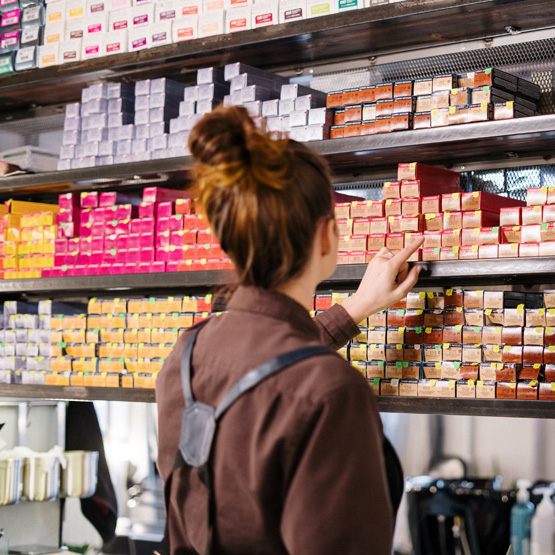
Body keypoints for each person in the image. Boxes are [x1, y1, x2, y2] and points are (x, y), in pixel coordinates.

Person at [156, 105, 424, 555]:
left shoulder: (186, 356)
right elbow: (288, 384)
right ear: (326, 236)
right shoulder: (331, 392)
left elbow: (269, 372)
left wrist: (356, 307)